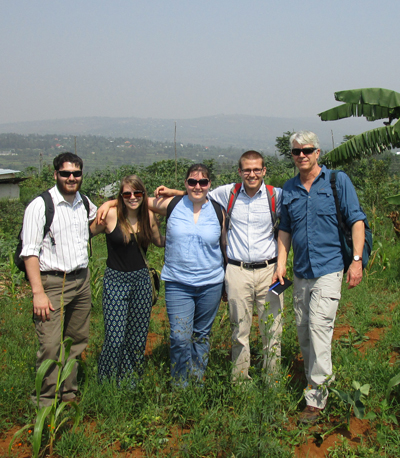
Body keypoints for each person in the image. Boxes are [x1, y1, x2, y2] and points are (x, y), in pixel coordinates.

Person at [155, 151, 283, 382]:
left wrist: (282, 265)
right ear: (239, 171)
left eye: (256, 169)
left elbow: (289, 226)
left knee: (272, 330)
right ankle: (239, 380)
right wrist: (174, 193)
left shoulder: (277, 196)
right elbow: (197, 194)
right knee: (239, 330)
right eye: (247, 169)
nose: (251, 174)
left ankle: (272, 382)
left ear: (264, 171)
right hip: (237, 270)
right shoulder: (228, 193)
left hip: (269, 271)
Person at [272, 131, 366, 424]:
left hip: (329, 268)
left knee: (318, 327)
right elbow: (284, 229)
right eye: (296, 151)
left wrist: (356, 261)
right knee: (302, 330)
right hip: (301, 272)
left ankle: (316, 399)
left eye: (307, 150)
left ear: (318, 152)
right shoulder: (289, 188)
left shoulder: (338, 182)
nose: (301, 155)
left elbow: (356, 220)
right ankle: (318, 377)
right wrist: (281, 264)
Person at [20, 152, 97, 407]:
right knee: (51, 345)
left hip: (81, 281)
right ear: (55, 175)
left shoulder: (83, 203)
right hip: (52, 283)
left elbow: (96, 222)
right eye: (65, 173)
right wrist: (37, 292)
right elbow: (30, 251)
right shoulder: (41, 206)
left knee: (76, 340)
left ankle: (68, 392)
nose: (71, 178)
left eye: (76, 173)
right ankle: (44, 401)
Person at [90, 175, 164, 385]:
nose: (133, 197)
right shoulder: (109, 215)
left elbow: (159, 241)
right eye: (127, 194)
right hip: (115, 281)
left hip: (141, 281)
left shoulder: (149, 216)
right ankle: (106, 381)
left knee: (138, 336)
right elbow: (85, 234)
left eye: (137, 193)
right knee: (115, 337)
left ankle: (131, 381)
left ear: (143, 194)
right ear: (120, 196)